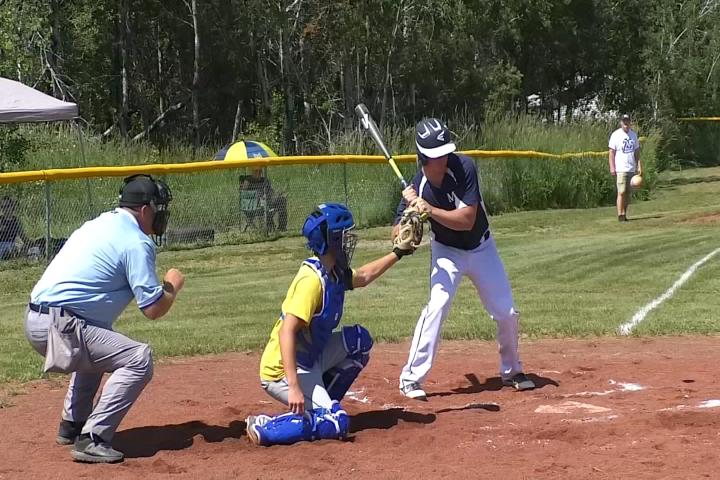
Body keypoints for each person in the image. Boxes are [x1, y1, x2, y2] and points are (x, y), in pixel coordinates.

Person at [24, 174, 185, 464]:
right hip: (62, 327)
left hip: (37, 320)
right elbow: (152, 309)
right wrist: (171, 287)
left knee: (100, 339)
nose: (163, 216)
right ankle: (93, 438)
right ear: (146, 210)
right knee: (138, 358)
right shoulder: (136, 241)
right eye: (159, 210)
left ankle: (72, 425)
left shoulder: (97, 224)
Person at [245, 202, 416, 446]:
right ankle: (266, 428)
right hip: (283, 370)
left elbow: (364, 276)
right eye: (345, 236)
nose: (349, 241)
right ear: (332, 240)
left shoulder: (333, 270)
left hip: (310, 359)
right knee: (338, 424)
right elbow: (287, 332)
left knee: (359, 341)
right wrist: (294, 387)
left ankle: (318, 408)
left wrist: (398, 252)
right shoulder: (311, 281)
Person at [393, 118, 535, 401]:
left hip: (482, 247)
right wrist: (409, 217)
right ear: (423, 157)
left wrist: (429, 210)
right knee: (437, 306)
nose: (444, 158)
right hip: (447, 252)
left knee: (506, 312)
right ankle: (410, 378)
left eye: (446, 151)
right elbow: (395, 234)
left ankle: (511, 371)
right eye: (437, 155)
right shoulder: (417, 187)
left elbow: (467, 220)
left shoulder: (465, 166)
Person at [608, 114, 642, 222]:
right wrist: (612, 167)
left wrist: (639, 165)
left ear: (630, 122)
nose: (626, 124)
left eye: (627, 121)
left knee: (627, 193)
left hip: (631, 168)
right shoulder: (616, 135)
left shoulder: (633, 135)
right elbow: (611, 152)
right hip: (621, 168)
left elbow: (636, 152)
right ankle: (620, 214)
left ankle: (624, 214)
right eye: (624, 122)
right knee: (621, 191)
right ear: (621, 123)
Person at [245, 167, 288, 231]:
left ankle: (282, 227)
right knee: (263, 204)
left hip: (268, 201)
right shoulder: (248, 181)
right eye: (256, 171)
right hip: (256, 204)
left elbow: (271, 192)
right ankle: (268, 225)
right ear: (252, 172)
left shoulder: (265, 180)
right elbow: (245, 195)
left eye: (260, 171)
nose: (259, 173)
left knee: (282, 200)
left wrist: (277, 195)